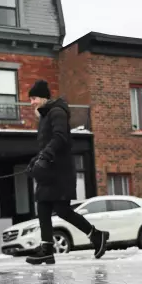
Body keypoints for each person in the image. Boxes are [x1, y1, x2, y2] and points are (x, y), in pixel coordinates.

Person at [25, 80, 109, 265]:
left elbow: (60, 137)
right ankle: (47, 249)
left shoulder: (57, 112)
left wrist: (45, 156)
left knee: (62, 210)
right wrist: (35, 161)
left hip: (60, 172)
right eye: (30, 99)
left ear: (44, 97)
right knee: (43, 206)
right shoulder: (45, 116)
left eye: (34, 98)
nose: (32, 102)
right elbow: (46, 144)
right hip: (49, 171)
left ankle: (96, 235)